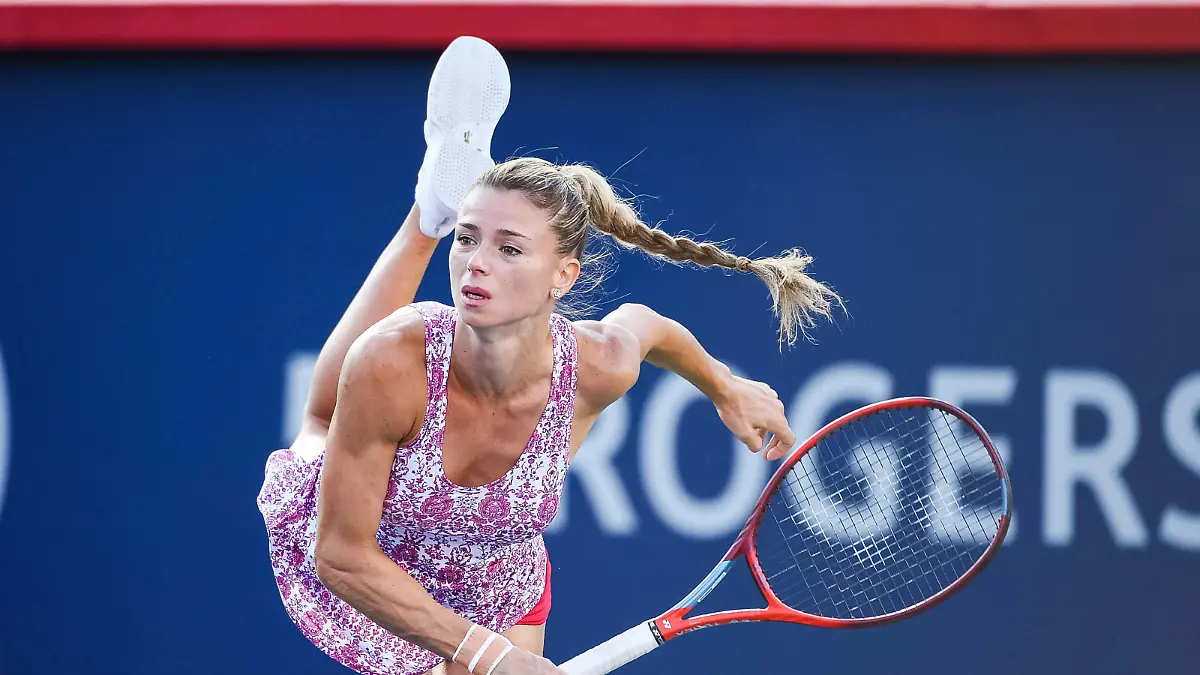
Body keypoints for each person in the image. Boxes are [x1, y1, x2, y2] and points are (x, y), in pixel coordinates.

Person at [257, 36, 841, 675]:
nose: (477, 262)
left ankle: (443, 208)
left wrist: (724, 386)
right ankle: (431, 215)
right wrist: (490, 656)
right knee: (322, 416)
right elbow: (340, 555)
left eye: (509, 249)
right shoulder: (394, 361)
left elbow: (646, 327)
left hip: (495, 572)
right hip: (364, 551)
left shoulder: (598, 366)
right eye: (469, 240)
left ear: (563, 275)